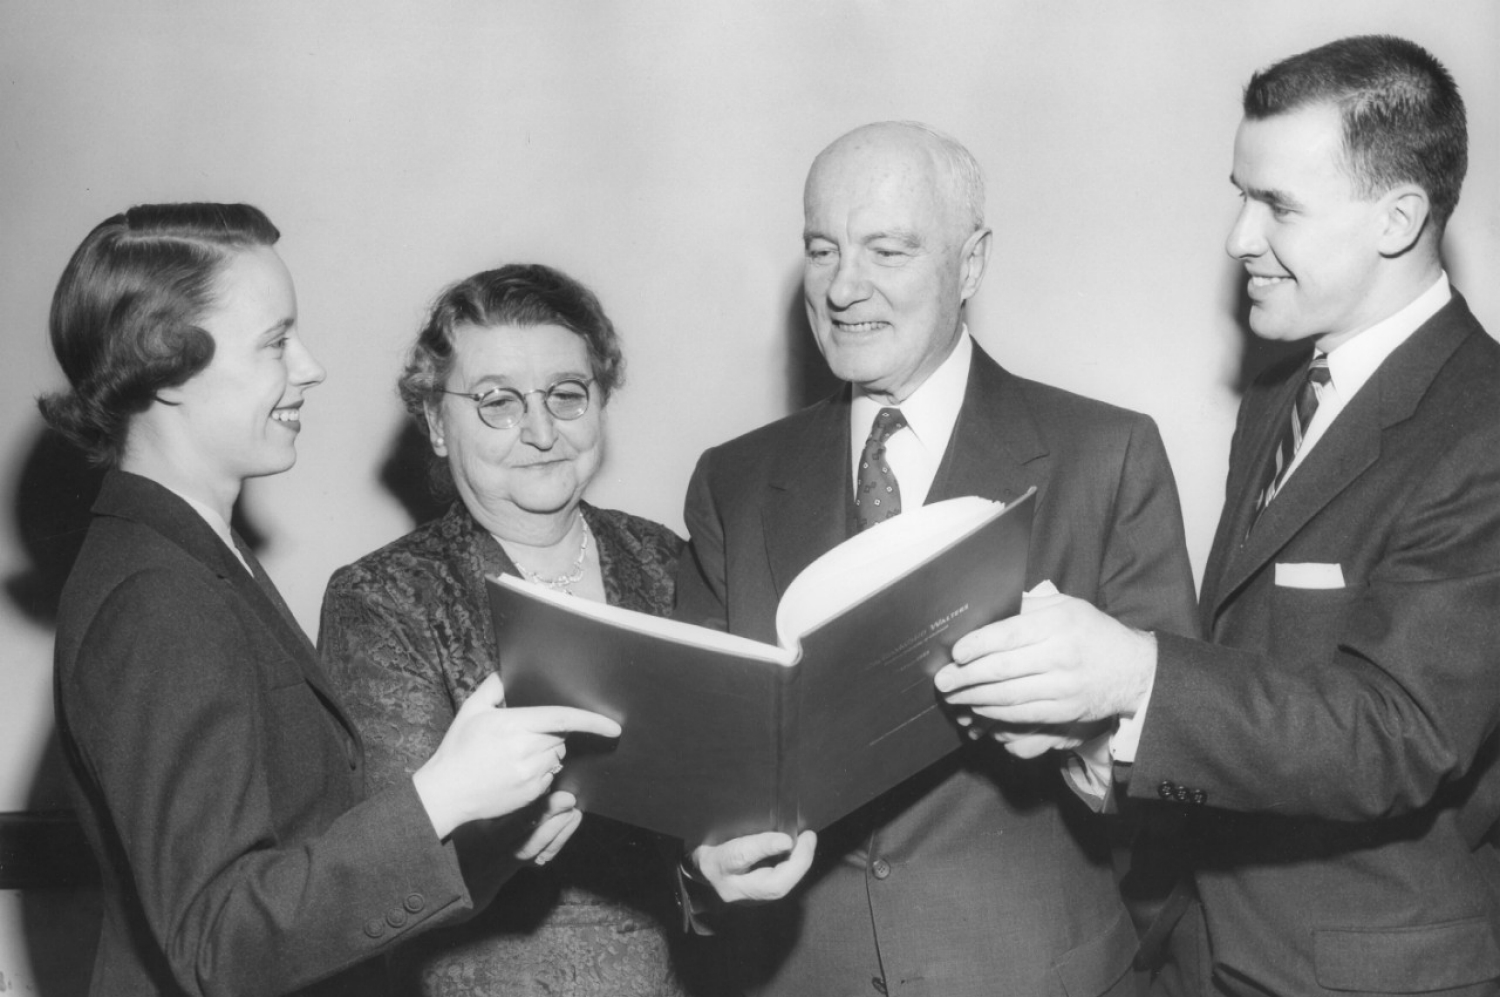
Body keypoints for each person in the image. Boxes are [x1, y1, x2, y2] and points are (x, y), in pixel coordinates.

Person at [936, 35, 1500, 995]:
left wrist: (1133, 672)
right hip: (1210, 954)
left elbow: (1397, 732)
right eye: (1240, 194)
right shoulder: (1284, 389)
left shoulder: (1481, 424)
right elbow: (1259, 679)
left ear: (1400, 219)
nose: (1239, 237)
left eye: (1277, 204)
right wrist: (1105, 734)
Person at [42, 204, 620, 997]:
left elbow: (296, 877)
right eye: (277, 341)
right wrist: (440, 795)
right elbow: (218, 941)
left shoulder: (193, 555)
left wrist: (485, 851)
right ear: (166, 364)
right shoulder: (154, 593)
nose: (309, 366)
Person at [674, 121, 1198, 996]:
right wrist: (701, 868)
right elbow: (696, 762)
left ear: (972, 263)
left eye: (888, 249)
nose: (845, 287)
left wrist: (1092, 740)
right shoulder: (733, 481)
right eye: (821, 248)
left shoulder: (1105, 456)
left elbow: (1183, 767)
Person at [319, 264, 719, 997]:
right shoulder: (384, 599)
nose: (541, 432)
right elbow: (389, 874)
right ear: (438, 424)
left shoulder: (665, 558)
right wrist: (493, 845)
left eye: (567, 394)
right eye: (497, 402)